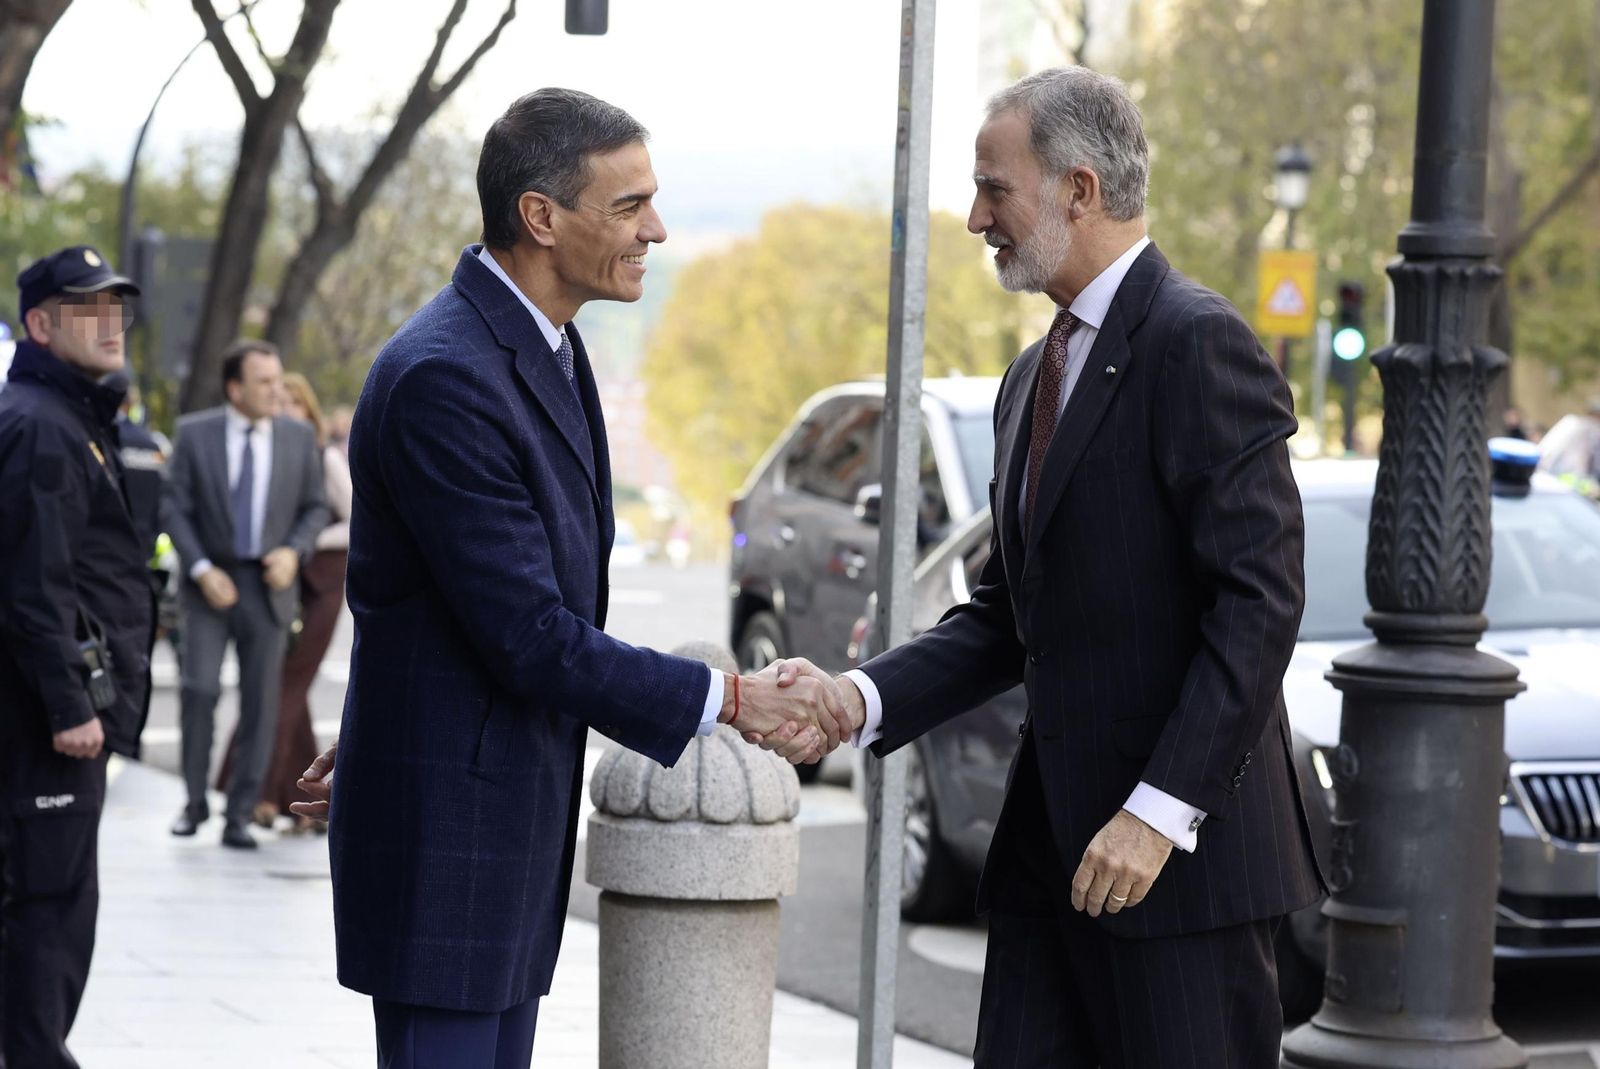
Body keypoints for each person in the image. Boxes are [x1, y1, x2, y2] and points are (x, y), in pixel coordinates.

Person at [772, 68, 1324, 1066]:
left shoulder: (1198, 344)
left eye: (995, 188)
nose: (976, 215)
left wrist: (1157, 815)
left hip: (1175, 880)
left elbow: (1257, 604)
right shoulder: (1032, 374)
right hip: (1042, 868)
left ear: (1079, 188)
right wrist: (855, 699)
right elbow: (1004, 616)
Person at [291, 89, 848, 1069]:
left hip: (495, 822)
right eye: (629, 205)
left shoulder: (547, 346)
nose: (657, 229)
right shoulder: (446, 376)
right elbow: (526, 630)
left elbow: (448, 605)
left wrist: (388, 718)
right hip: (451, 840)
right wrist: (729, 698)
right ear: (540, 216)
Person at [0, 246, 153, 1069]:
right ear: (40, 324)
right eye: (86, 306)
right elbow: (32, 583)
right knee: (46, 910)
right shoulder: (43, 425)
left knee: (51, 904)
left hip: (53, 714)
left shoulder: (67, 418)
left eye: (115, 305)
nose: (109, 321)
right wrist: (70, 706)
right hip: (45, 723)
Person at [159, 340, 329, 849]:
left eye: (279, 379)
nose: (277, 390)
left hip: (269, 586)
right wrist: (202, 567)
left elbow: (315, 509)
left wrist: (291, 552)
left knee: (261, 703)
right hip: (210, 583)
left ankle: (238, 814)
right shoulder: (195, 433)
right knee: (199, 690)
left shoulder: (299, 439)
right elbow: (173, 507)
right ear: (235, 388)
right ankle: (193, 802)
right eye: (264, 382)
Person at [217, 372, 349, 832]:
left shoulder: (325, 456)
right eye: (281, 402)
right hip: (286, 585)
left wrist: (303, 545)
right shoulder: (276, 456)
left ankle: (257, 792)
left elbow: (357, 520)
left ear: (308, 412)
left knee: (285, 686)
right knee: (284, 686)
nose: (285, 411)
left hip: (324, 583)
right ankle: (304, 800)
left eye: (295, 404)